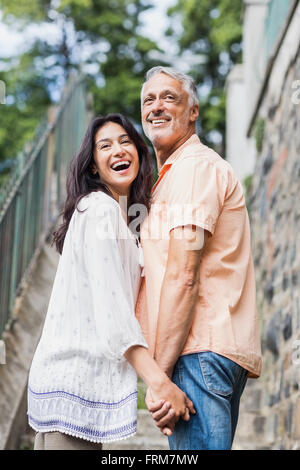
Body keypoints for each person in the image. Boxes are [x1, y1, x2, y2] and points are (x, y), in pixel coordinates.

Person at [27, 113, 194, 451]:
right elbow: (113, 311)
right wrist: (158, 383)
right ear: (94, 167)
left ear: (138, 151)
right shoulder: (99, 210)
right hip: (73, 387)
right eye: (105, 146)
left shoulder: (126, 223)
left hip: (75, 392)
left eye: (125, 141)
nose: (118, 150)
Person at [136, 66, 262, 450]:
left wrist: (160, 375)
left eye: (169, 98)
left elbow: (183, 275)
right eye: (148, 100)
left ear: (193, 111)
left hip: (196, 352)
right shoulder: (172, 175)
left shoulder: (193, 168)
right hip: (202, 352)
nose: (156, 107)